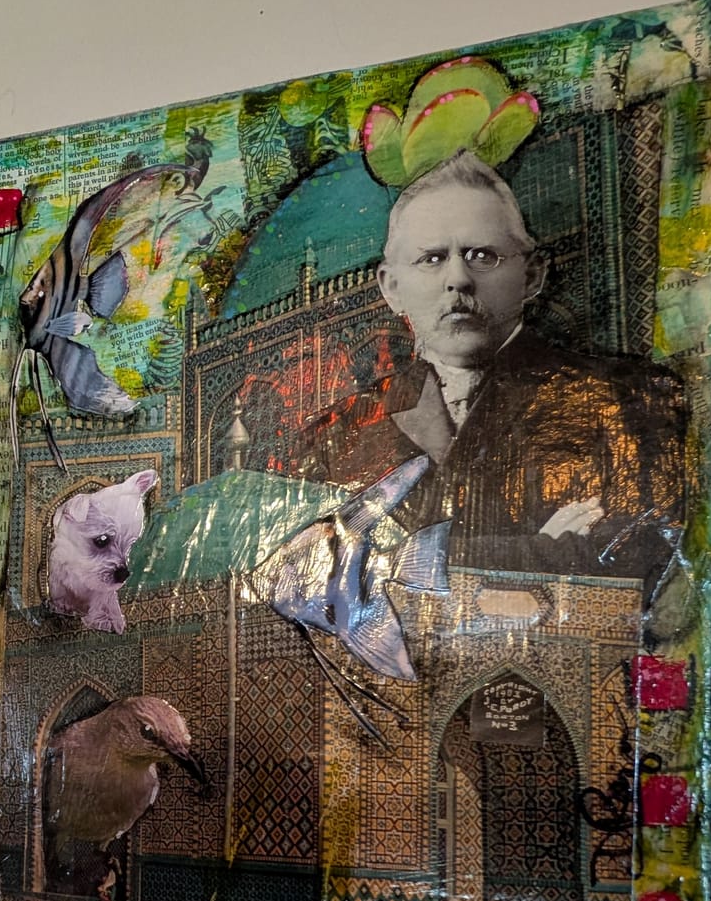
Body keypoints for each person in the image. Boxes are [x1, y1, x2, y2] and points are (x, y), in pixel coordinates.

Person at [291, 150, 686, 588]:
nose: (458, 279)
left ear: (531, 275)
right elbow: (310, 576)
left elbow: (640, 559)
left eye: (482, 255)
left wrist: (404, 561)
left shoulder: (630, 401)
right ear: (392, 287)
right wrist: (539, 550)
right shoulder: (337, 435)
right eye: (432, 258)